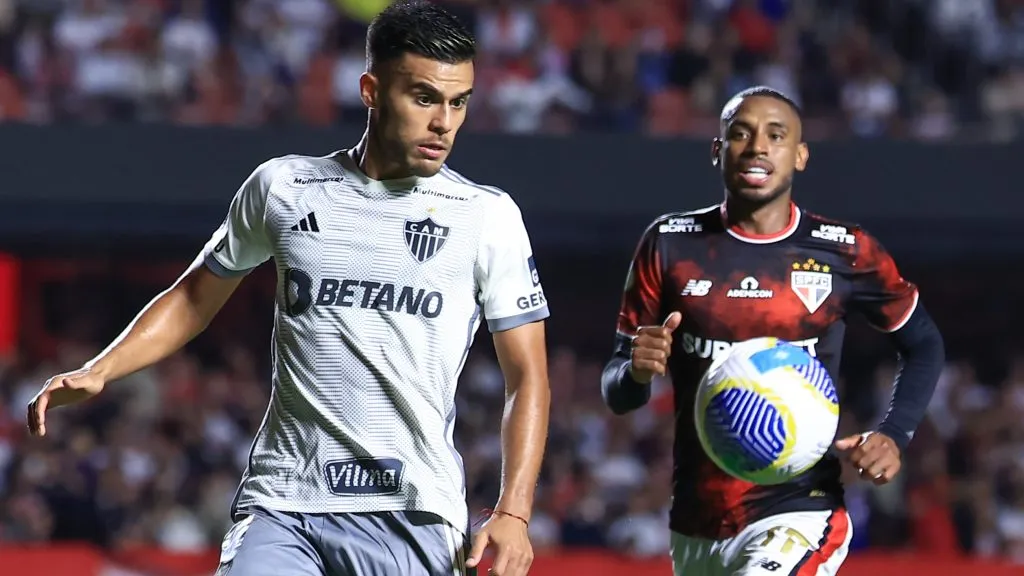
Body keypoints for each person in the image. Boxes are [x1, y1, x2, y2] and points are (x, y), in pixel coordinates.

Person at [27, 3, 551, 576]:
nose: (444, 123)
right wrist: (104, 368)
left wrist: (515, 512)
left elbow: (527, 377)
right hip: (285, 504)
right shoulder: (285, 188)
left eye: (459, 103)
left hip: (411, 511)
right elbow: (195, 296)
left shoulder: (486, 217)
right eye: (424, 97)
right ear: (371, 90)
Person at [601, 86, 945, 576]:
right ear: (718, 151)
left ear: (800, 155)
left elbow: (923, 343)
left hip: (800, 509)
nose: (757, 146)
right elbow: (617, 393)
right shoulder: (668, 245)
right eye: (740, 133)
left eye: (776, 135)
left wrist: (894, 433)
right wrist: (635, 371)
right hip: (697, 523)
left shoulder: (845, 251)